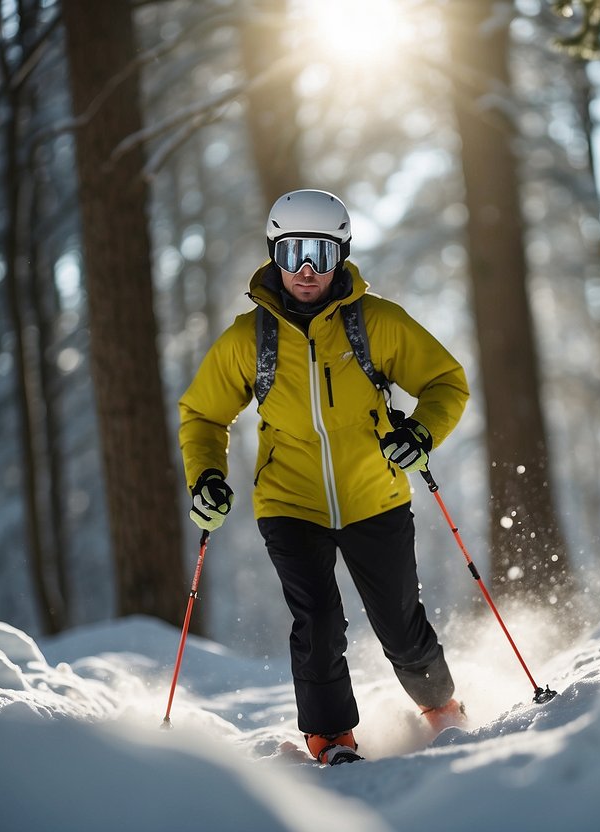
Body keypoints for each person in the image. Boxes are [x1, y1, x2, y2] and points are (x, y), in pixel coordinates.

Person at [177, 189, 469, 765]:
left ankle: (441, 710)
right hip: (289, 501)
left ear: (342, 254)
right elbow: (202, 414)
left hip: (375, 494)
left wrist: (421, 433)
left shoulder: (376, 323)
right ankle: (331, 737)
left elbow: (446, 381)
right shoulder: (249, 338)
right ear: (273, 255)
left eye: (320, 254)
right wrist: (206, 475)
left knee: (400, 624)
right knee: (318, 620)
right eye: (291, 254)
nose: (306, 270)